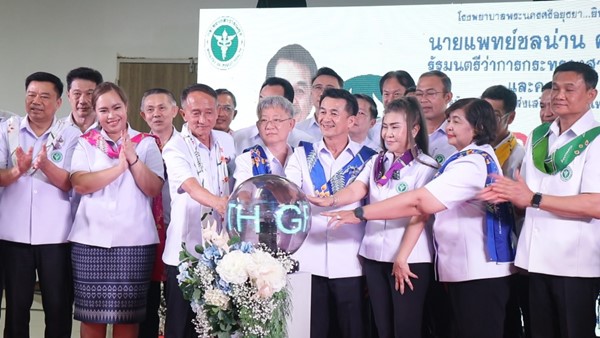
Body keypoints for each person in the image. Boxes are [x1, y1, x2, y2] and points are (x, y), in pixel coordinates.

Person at [326, 98, 515, 338]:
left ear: (477, 127)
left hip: (476, 270)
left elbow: (420, 205)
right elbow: (360, 189)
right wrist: (331, 201)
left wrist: (360, 213)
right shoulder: (460, 159)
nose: (448, 127)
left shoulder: (468, 163)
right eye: (448, 120)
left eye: (455, 121)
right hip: (462, 269)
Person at [482, 61, 600, 338]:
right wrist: (504, 194)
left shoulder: (596, 139)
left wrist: (533, 198)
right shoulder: (538, 136)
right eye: (556, 87)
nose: (559, 95)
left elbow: (595, 204)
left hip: (575, 263)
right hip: (533, 259)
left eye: (569, 89)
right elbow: (525, 196)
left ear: (591, 95)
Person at [308, 97, 438, 338]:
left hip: (409, 259)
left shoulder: (426, 165)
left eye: (395, 127)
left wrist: (402, 257)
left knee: (406, 329)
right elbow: (358, 189)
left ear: (415, 129)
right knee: (382, 328)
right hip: (374, 256)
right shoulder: (377, 160)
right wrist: (333, 200)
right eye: (385, 127)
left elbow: (420, 213)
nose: (388, 134)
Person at [69, 82, 164, 338]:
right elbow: (80, 183)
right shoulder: (85, 143)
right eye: (103, 110)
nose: (111, 115)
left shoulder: (145, 144)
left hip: (134, 242)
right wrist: (118, 168)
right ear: (96, 113)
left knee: (127, 317)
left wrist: (132, 159)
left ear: (126, 107)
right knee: (91, 317)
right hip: (90, 240)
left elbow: (153, 188)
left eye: (116, 107)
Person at [285, 88, 377, 338]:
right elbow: (289, 192)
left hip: (350, 263)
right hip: (308, 261)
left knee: (352, 331)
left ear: (351, 120)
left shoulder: (369, 159)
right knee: (310, 331)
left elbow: (365, 195)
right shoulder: (302, 155)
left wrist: (333, 199)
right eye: (322, 111)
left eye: (334, 113)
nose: (326, 118)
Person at [0, 71, 81, 338]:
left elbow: (70, 182)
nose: (36, 101)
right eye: (31, 95)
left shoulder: (69, 135)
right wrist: (17, 171)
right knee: (15, 309)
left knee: (58, 309)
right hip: (12, 236)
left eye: (45, 96)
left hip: (55, 238)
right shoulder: (7, 129)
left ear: (59, 103)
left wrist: (45, 164)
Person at [162, 83, 234, 338]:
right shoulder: (176, 146)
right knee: (180, 327)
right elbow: (190, 185)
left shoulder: (226, 142)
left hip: (220, 251)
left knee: (215, 324)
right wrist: (220, 203)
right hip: (185, 252)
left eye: (209, 112)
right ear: (183, 114)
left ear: (218, 112)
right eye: (195, 113)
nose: (202, 120)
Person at [138, 88, 179, 338]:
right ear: (143, 115)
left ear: (175, 111)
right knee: (147, 303)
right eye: (150, 109)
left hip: (178, 232)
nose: (157, 114)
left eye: (162, 108)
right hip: (146, 232)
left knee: (177, 303)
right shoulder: (138, 146)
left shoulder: (188, 146)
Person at [233, 77, 315, 154]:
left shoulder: (306, 142)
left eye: (272, 101)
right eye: (261, 99)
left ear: (288, 105)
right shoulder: (238, 138)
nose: (264, 105)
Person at [233, 95, 295, 188]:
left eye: (276, 120)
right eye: (264, 120)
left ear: (291, 124)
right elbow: (242, 196)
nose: (269, 126)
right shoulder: (247, 159)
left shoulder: (302, 158)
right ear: (258, 126)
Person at [482, 85, 525, 179]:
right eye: (483, 113)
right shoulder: (470, 146)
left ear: (510, 118)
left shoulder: (519, 156)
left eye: (494, 115)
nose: (486, 120)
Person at [266, 44, 317, 122]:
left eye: (299, 91)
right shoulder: (245, 134)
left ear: (311, 100)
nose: (291, 101)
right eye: (281, 90)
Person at [416, 70, 456, 165]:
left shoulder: (458, 133)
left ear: (448, 97)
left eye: (430, 93)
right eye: (419, 94)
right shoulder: (406, 130)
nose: (423, 99)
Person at [296, 67, 344, 135]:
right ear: (311, 92)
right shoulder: (297, 131)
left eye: (330, 89)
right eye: (318, 87)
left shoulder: (351, 130)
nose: (322, 93)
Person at [62, 67, 104, 133]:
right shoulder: (57, 130)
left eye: (89, 93)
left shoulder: (108, 129)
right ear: (68, 96)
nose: (82, 101)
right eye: (77, 93)